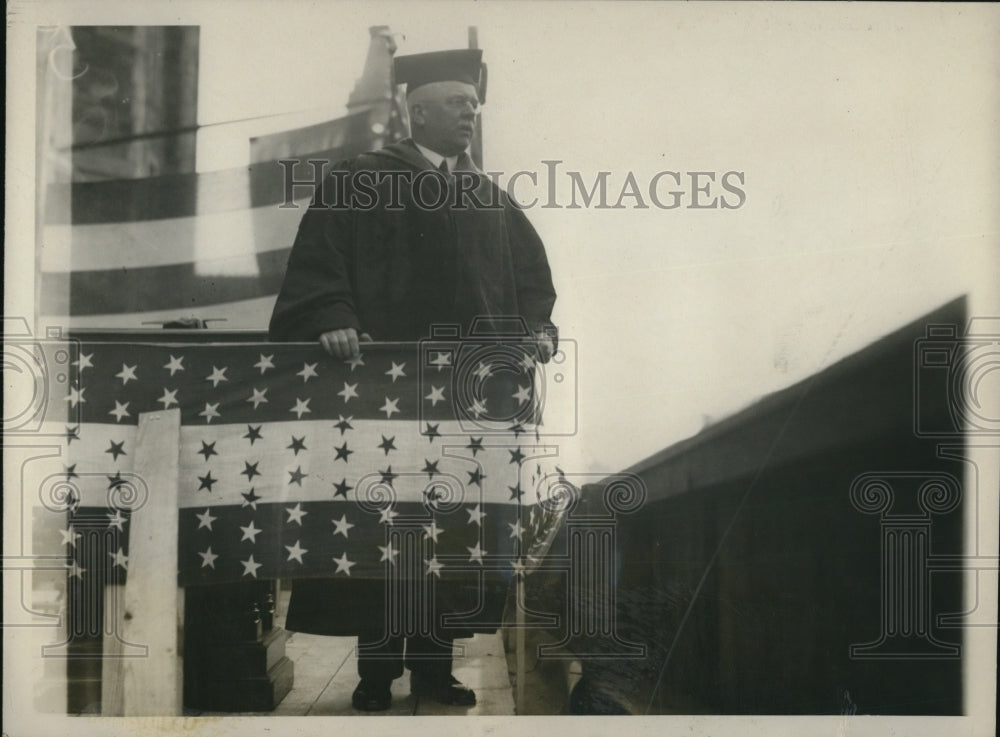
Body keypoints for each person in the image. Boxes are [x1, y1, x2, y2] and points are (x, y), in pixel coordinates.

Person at [268, 48, 558, 712]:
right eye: (458, 104)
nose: (470, 115)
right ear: (417, 110)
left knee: (454, 530)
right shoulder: (361, 180)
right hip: (381, 399)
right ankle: (376, 673)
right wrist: (333, 315)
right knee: (380, 528)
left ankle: (434, 668)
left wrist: (538, 330)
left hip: (467, 401)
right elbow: (319, 263)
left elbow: (533, 283)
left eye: (475, 106)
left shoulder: (489, 196)